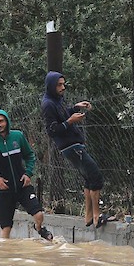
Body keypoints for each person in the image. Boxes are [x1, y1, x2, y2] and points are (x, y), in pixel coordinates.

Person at [41, 71, 108, 228]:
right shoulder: (48, 104)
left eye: (64, 84)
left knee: (88, 178)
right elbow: (52, 130)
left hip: (74, 145)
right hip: (71, 146)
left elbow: (62, 115)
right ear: (51, 86)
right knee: (96, 176)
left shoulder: (56, 100)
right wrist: (70, 121)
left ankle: (89, 216)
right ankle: (97, 216)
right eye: (59, 85)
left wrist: (74, 108)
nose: (63, 87)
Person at [0, 109, 53, 241]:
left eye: (1, 121)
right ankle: (5, 257)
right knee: (6, 229)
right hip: (4, 190)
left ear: (7, 122)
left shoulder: (18, 136)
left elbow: (30, 155)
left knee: (39, 215)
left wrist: (28, 173)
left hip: (23, 185)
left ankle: (39, 228)